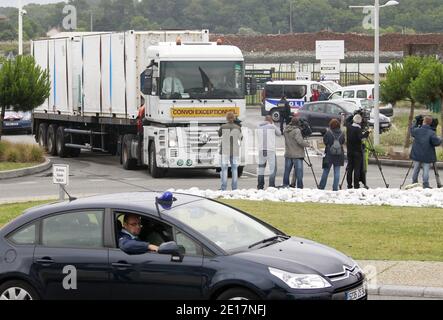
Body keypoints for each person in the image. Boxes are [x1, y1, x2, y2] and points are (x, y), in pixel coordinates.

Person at [410, 116, 442, 188]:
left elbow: (411, 130)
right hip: (427, 155)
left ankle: (414, 182)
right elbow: (436, 142)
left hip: (417, 154)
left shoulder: (417, 130)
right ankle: (425, 185)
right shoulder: (431, 133)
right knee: (426, 170)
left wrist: (415, 121)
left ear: (423, 121)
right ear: (431, 123)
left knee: (416, 168)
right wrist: (440, 139)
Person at [283, 117, 310, 188]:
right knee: (299, 173)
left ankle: (285, 185)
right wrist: (308, 144)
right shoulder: (297, 130)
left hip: (288, 153)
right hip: (297, 154)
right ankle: (300, 186)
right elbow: (300, 141)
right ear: (298, 123)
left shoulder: (286, 130)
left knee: (287, 171)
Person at [218, 112, 243, 191]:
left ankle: (223, 188)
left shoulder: (223, 126)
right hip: (235, 150)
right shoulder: (238, 127)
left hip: (225, 150)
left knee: (224, 169)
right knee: (234, 169)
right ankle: (234, 188)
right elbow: (241, 138)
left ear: (227, 118)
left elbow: (219, 134)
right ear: (234, 118)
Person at [319, 119, 345, 191]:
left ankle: (321, 187)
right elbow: (343, 141)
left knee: (326, 171)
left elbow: (325, 141)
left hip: (329, 154)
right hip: (339, 154)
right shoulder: (342, 133)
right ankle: (335, 188)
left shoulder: (328, 133)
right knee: (337, 172)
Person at [257, 115, 282, 189]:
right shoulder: (272, 126)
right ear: (271, 120)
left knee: (261, 168)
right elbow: (279, 133)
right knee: (272, 168)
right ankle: (271, 185)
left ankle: (260, 185)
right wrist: (273, 124)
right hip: (270, 150)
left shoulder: (259, 127)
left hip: (261, 150)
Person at [346, 114, 370, 189]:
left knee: (350, 168)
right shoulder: (358, 130)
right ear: (359, 122)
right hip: (357, 152)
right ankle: (356, 185)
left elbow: (347, 120)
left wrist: (353, 115)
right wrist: (368, 132)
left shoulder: (349, 127)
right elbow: (362, 138)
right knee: (357, 169)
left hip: (349, 151)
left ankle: (349, 185)